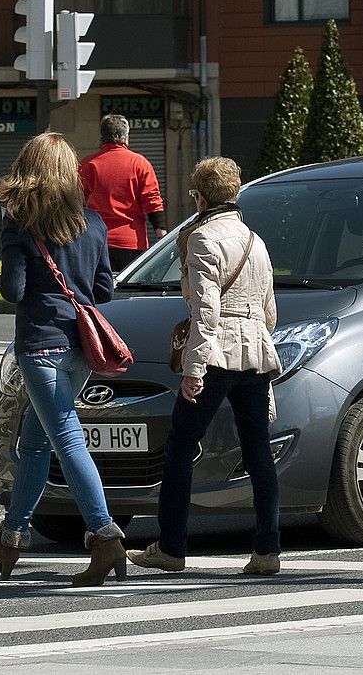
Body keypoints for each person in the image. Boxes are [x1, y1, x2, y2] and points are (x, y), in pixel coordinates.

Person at [128, 156, 283, 576]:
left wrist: (194, 369)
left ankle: (172, 546)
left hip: (217, 354)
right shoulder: (256, 241)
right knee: (257, 450)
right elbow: (270, 313)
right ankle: (267, 549)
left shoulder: (201, 238)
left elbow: (206, 310)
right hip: (255, 352)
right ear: (234, 193)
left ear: (199, 196)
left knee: (179, 446)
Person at [0, 132, 124, 585]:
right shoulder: (94, 223)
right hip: (81, 350)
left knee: (65, 438)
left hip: (40, 344)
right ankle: (10, 539)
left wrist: (11, 244)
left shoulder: (21, 224)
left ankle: (105, 536)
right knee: (36, 443)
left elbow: (13, 290)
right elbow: (104, 290)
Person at [79, 114, 167, 271]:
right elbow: (152, 200)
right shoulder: (139, 163)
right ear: (126, 136)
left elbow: (77, 202)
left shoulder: (88, 164)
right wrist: (161, 233)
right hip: (132, 242)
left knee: (98, 291)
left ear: (102, 136)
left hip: (97, 241)